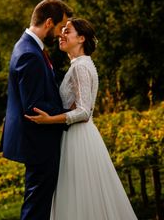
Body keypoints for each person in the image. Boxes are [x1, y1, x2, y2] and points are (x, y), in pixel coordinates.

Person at [25, 18, 137, 219]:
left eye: (68, 31)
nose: (62, 35)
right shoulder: (82, 65)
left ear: (81, 39)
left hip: (78, 138)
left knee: (79, 194)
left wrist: (50, 119)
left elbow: (85, 111)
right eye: (62, 31)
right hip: (80, 135)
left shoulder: (80, 67)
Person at [0, 0, 73, 220]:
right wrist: (68, 112)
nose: (62, 33)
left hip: (37, 140)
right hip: (38, 141)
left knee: (39, 203)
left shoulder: (30, 47)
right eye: (61, 27)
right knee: (36, 207)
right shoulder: (30, 53)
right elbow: (34, 105)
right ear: (49, 22)